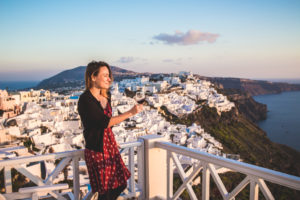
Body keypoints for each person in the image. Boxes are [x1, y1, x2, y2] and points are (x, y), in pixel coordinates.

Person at [77, 61, 143, 200]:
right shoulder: (85, 99)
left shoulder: (107, 97)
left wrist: (112, 140)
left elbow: (109, 125)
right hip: (97, 149)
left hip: (109, 146)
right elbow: (104, 122)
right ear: (93, 77)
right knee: (105, 191)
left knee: (121, 184)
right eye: (105, 75)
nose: (109, 79)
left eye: (109, 76)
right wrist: (130, 113)